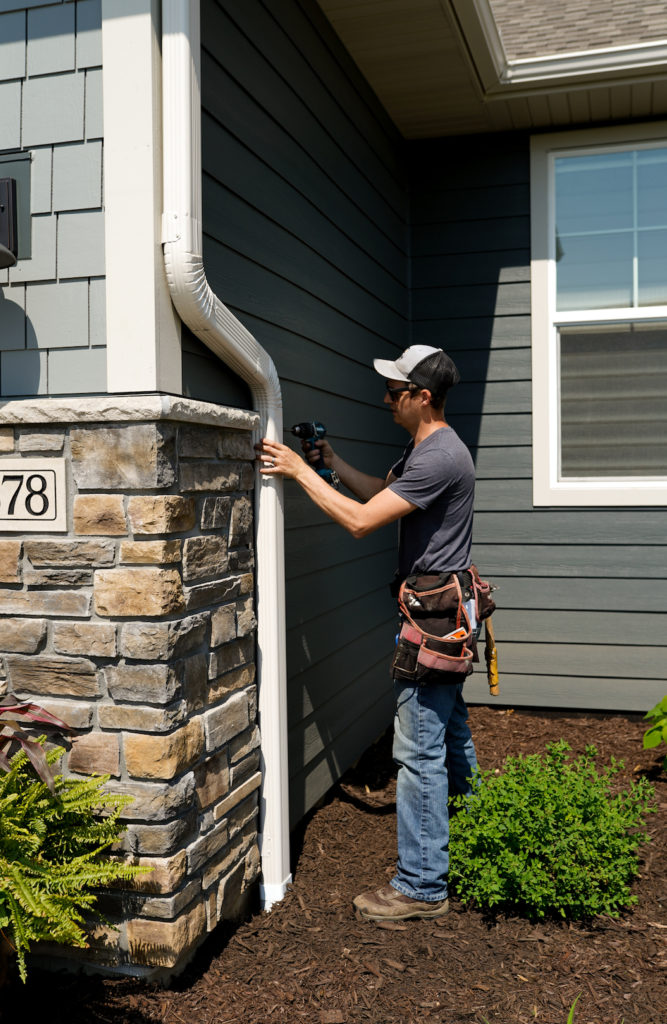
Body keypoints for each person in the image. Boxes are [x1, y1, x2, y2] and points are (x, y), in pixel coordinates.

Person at [256, 345, 479, 922]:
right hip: (437, 610)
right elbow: (377, 497)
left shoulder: (440, 456)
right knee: (450, 735)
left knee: (419, 753)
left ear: (423, 397)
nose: (386, 399)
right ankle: (474, 829)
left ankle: (422, 886)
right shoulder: (424, 449)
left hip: (431, 620)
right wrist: (329, 463)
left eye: (395, 391)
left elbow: (359, 522)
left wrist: (298, 471)